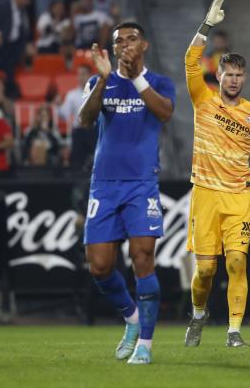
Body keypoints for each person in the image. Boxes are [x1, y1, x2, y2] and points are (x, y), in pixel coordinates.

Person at [183, 0, 250, 349]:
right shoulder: (203, 100)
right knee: (206, 271)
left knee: (237, 263)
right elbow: (190, 62)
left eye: (240, 75)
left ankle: (233, 331)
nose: (235, 80)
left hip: (239, 197)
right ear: (219, 75)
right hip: (205, 194)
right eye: (229, 74)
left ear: (244, 77)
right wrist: (207, 26)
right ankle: (197, 315)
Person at [78, 21, 175, 364]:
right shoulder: (100, 81)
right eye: (120, 41)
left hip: (141, 184)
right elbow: (85, 119)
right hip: (103, 184)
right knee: (99, 266)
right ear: (114, 49)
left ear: (144, 45)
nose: (126, 45)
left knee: (143, 257)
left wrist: (135, 78)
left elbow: (165, 112)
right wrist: (103, 79)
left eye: (132, 39)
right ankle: (132, 320)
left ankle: (145, 346)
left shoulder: (160, 82)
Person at [59, 64, 97, 170]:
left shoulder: (98, 93)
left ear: (90, 75)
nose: (80, 77)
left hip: (94, 130)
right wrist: (58, 106)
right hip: (79, 132)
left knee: (96, 161)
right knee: (77, 163)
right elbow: (64, 114)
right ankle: (78, 186)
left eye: (83, 74)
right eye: (79, 74)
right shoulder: (71, 95)